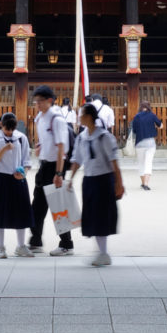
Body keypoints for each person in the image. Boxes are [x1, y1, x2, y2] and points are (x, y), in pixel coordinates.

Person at [73, 98, 125, 266]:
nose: (79, 117)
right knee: (92, 216)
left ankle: (103, 253)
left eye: (81, 114)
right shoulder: (81, 137)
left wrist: (119, 183)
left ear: (89, 116)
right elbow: (77, 160)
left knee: (101, 216)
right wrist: (69, 179)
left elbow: (114, 162)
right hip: (89, 180)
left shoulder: (104, 136)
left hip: (103, 180)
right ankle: (101, 251)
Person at [26, 86, 76, 254]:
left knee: (59, 205)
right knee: (38, 206)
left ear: (49, 100)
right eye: (36, 101)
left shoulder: (57, 119)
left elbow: (62, 147)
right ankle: (36, 240)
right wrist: (40, 146)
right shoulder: (40, 117)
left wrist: (59, 173)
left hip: (55, 166)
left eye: (40, 101)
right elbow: (44, 139)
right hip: (44, 164)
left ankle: (66, 244)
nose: (37, 104)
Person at [0, 113, 34, 258]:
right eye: (7, 129)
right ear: (1, 124)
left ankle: (21, 246)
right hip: (0, 178)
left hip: (17, 178)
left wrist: (23, 172)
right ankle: (1, 247)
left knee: (21, 213)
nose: (9, 132)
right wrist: (4, 149)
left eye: (11, 129)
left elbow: (27, 161)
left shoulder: (22, 138)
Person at [129, 101, 161, 189]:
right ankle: (146, 184)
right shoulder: (152, 115)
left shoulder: (136, 116)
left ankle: (143, 183)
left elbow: (134, 130)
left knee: (141, 163)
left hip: (139, 143)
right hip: (150, 142)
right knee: (148, 163)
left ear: (140, 107)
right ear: (149, 107)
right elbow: (160, 125)